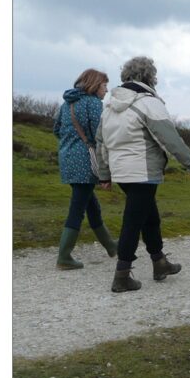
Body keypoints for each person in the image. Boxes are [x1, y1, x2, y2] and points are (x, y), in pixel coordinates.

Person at [95, 56, 190, 293]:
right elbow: (170, 138)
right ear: (149, 77)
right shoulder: (149, 103)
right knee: (133, 221)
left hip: (121, 173)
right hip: (143, 172)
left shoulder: (110, 107)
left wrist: (104, 175)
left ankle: (159, 262)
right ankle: (122, 275)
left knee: (149, 217)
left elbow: (100, 141)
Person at [52, 68, 118, 269]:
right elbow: (101, 134)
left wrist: (70, 144)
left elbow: (56, 129)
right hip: (85, 161)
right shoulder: (93, 103)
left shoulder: (67, 103)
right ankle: (64, 257)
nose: (106, 90)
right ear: (95, 84)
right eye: (105, 85)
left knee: (91, 205)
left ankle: (111, 246)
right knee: (78, 209)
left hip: (68, 159)